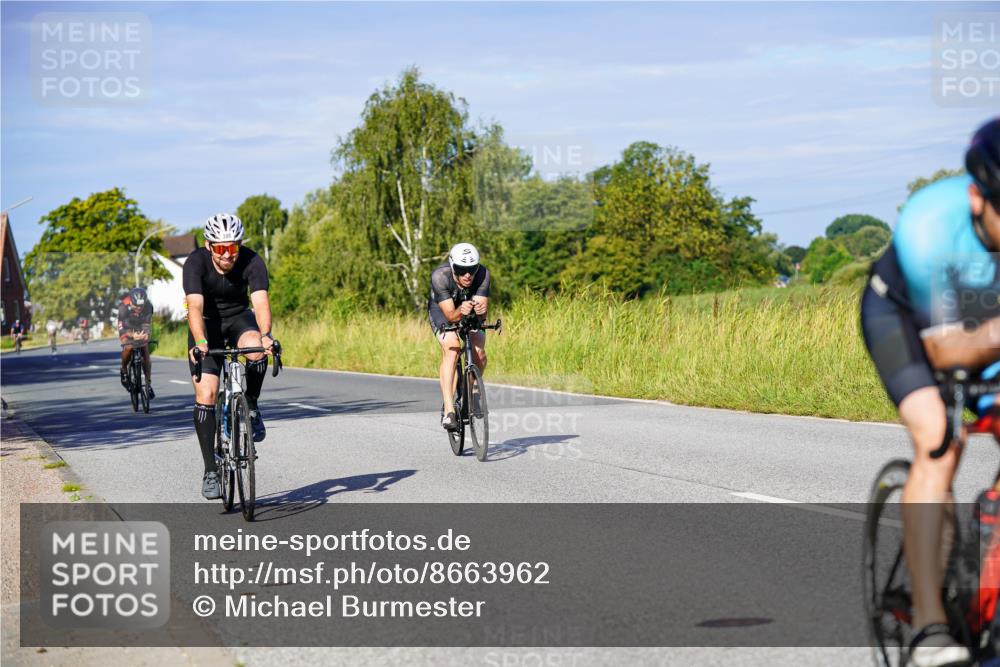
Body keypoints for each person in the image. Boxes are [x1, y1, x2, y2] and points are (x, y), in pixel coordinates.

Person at [861, 117, 1000, 667]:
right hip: (909, 320)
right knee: (940, 438)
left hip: (985, 323)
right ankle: (928, 624)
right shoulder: (929, 219)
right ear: (977, 197)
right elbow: (947, 353)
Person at [184, 213, 275, 500]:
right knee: (207, 393)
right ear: (210, 245)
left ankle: (251, 404)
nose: (228, 255)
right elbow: (195, 308)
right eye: (221, 248)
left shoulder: (252, 261)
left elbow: (260, 303)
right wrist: (199, 342)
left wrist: (266, 334)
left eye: (233, 247)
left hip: (238, 319)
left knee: (257, 349)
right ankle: (211, 470)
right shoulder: (195, 263)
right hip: (207, 325)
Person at [428, 242, 490, 430]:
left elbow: (482, 316)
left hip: (467, 308)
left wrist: (480, 311)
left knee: (478, 350)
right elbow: (450, 316)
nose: (467, 275)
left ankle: (472, 392)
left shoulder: (483, 274)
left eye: (471, 269)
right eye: (462, 270)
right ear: (453, 267)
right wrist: (460, 311)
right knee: (452, 347)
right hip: (443, 310)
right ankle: (449, 410)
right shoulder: (440, 276)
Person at [118, 287, 154, 398]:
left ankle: (148, 384)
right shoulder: (123, 307)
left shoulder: (148, 306)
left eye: (141, 306)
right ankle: (124, 370)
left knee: (145, 352)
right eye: (136, 306)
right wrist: (132, 335)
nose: (139, 308)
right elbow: (121, 327)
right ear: (131, 301)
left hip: (140, 325)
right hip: (127, 326)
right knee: (128, 347)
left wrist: (146, 334)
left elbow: (147, 324)